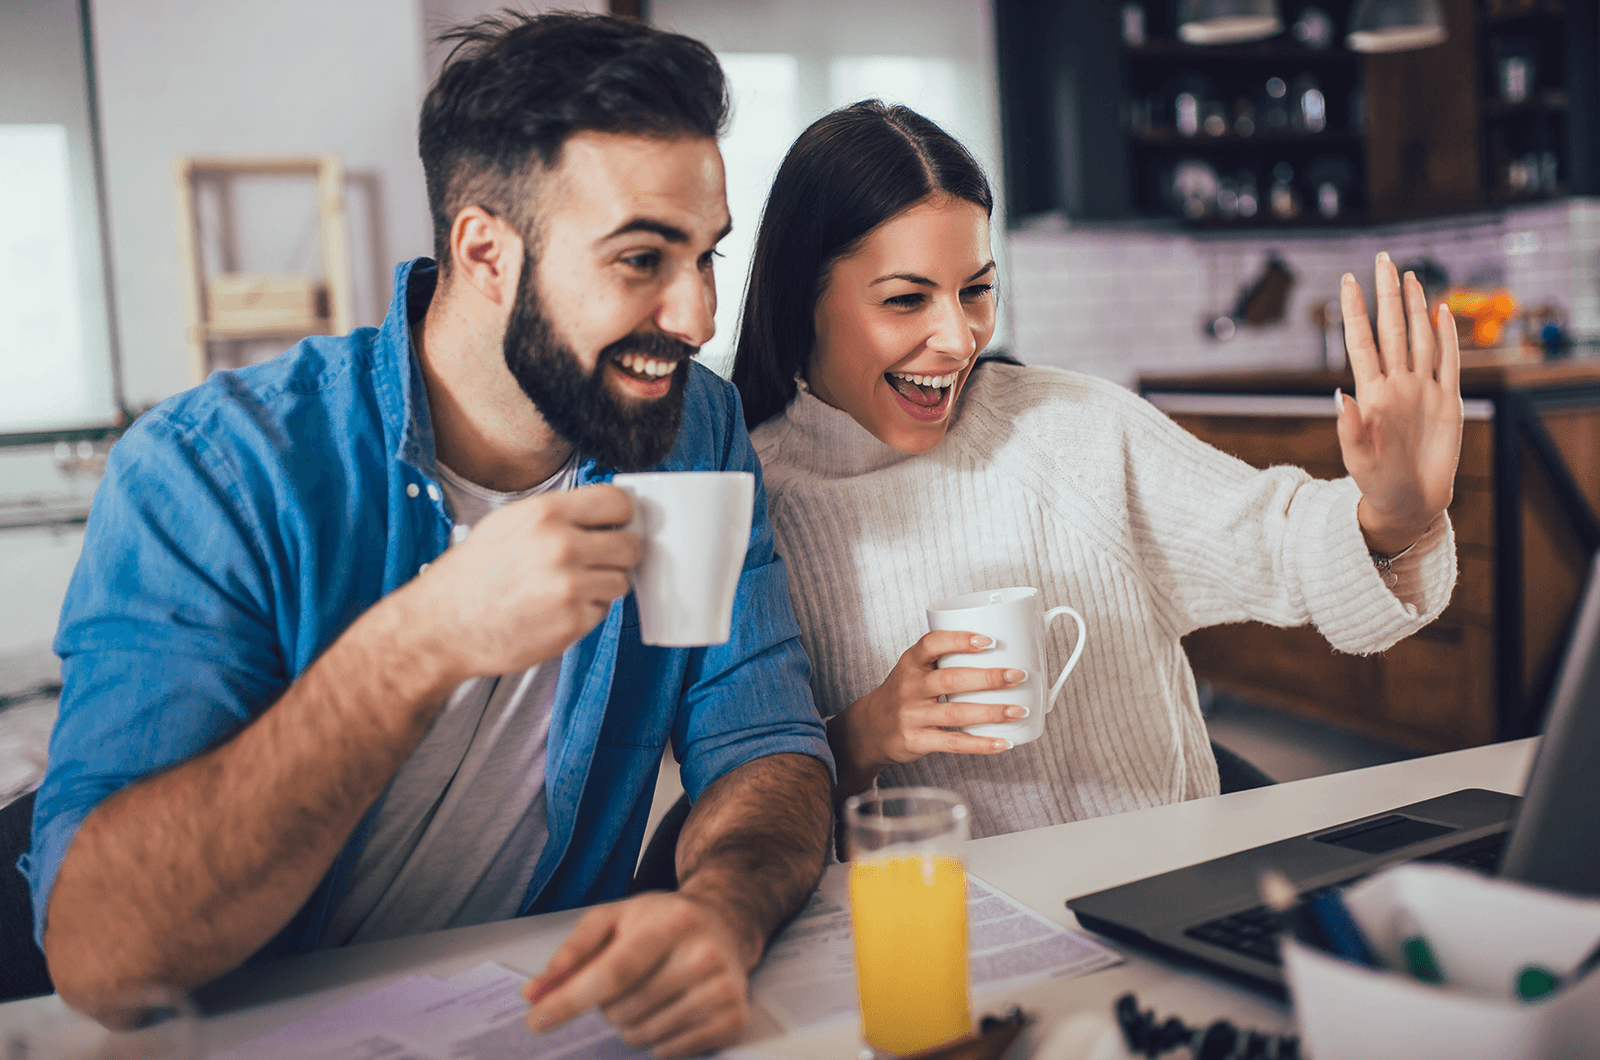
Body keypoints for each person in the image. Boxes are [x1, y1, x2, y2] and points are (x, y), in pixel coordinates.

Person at [23, 14, 832, 1056]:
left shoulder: (690, 426)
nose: (696, 315)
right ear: (485, 250)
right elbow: (100, 953)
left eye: (706, 256)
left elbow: (761, 740)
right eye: (642, 259)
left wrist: (722, 906)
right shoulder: (213, 472)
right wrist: (417, 643)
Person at [732, 101, 1460, 840]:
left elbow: (1276, 540)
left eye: (976, 291)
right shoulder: (757, 509)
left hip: (1165, 887)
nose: (957, 339)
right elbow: (738, 810)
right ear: (805, 298)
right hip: (945, 931)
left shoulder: (1069, 428)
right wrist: (861, 736)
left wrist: (1394, 516)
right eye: (906, 299)